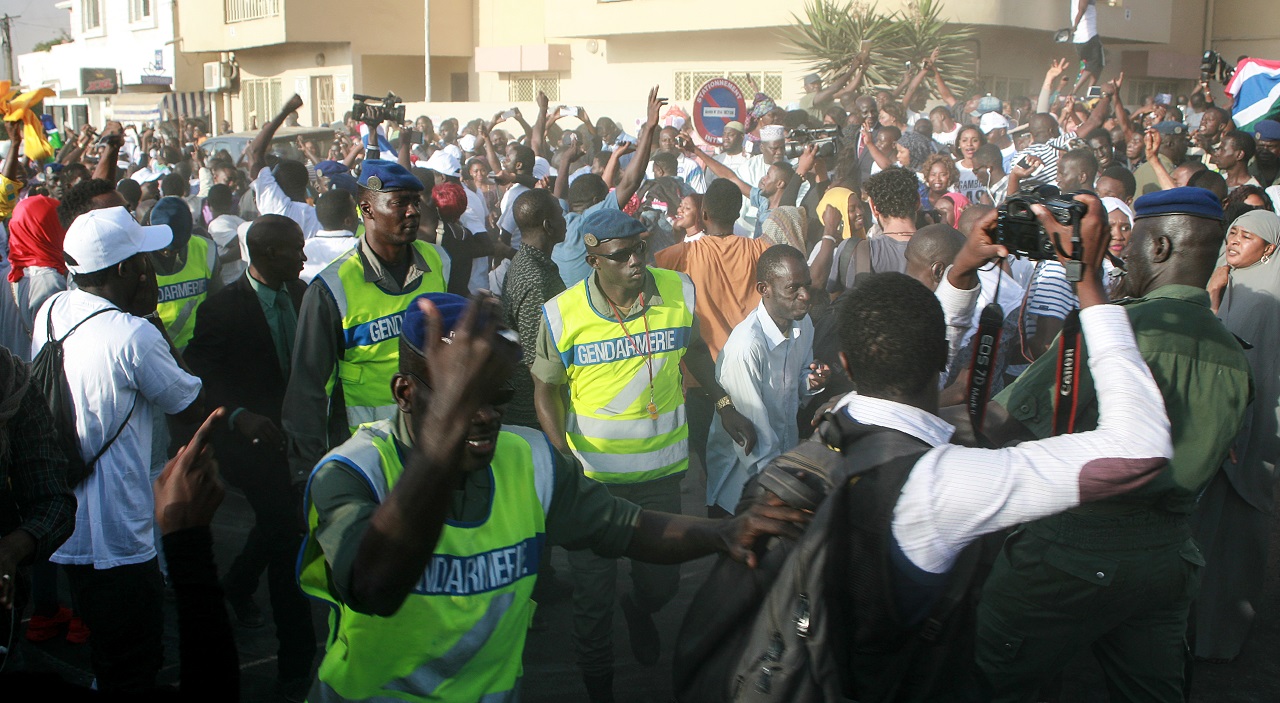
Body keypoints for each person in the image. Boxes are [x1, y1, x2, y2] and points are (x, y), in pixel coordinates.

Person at [298, 292, 806, 703]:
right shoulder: (352, 473)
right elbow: (375, 587)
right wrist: (442, 438)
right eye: (461, 399)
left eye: (495, 398)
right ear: (405, 393)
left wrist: (722, 533)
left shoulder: (530, 461)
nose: (485, 416)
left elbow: (626, 527)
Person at [802, 189, 1174, 696]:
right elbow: (1140, 450)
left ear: (847, 365)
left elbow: (922, 353)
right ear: (943, 359)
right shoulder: (948, 483)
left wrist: (960, 272)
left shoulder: (831, 426)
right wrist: (1087, 282)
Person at [972, 188, 1251, 701]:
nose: (1119, 254)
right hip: (1169, 557)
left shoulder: (1114, 329)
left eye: (1134, 241)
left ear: (1161, 249)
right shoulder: (1230, 349)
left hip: (1073, 551)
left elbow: (999, 421)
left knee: (992, 680)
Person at [533, 210, 753, 700]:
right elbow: (544, 390)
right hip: (593, 485)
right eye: (621, 255)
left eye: (641, 249)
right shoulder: (563, 312)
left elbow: (694, 349)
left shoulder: (676, 291)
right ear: (593, 259)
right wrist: (560, 456)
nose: (637, 261)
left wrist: (723, 402)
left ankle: (640, 608)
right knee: (592, 603)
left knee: (662, 588)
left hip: (660, 479)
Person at [32, 207, 207, 694]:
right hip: (123, 537)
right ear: (127, 270)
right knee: (135, 659)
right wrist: (150, 314)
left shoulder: (52, 311)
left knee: (107, 650)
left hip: (69, 528)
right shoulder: (132, 335)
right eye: (143, 259)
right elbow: (188, 401)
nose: (151, 266)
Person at [183, 214, 316, 699]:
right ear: (267, 255)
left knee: (280, 525)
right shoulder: (222, 309)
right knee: (286, 538)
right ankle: (295, 663)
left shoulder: (305, 296)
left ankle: (237, 585)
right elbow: (201, 380)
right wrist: (237, 415)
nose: (303, 257)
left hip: (299, 441)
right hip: (252, 447)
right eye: (295, 250)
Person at [283, 159, 448, 486]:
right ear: (367, 209)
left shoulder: (437, 260)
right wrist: (310, 474)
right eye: (400, 203)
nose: (414, 211)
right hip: (367, 456)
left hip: (432, 445)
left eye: (416, 201)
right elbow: (308, 391)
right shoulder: (331, 288)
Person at [1196, 209, 1280, 662]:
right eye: (1233, 232)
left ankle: (1222, 632)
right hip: (1228, 422)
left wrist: (1211, 301)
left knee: (1237, 529)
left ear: (1269, 248)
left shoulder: (1266, 295)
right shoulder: (1231, 281)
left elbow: (1232, 361)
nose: (1235, 242)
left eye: (1248, 237)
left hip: (1254, 427)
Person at [705, 245, 828, 513]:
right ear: (764, 289)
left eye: (806, 285)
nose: (805, 296)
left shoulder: (802, 324)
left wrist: (812, 380)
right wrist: (783, 489)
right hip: (743, 486)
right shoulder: (746, 347)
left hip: (778, 474)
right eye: (793, 288)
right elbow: (754, 437)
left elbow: (797, 383)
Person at [553, 87, 661, 287]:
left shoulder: (558, 223)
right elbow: (631, 181)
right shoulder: (591, 220)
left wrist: (565, 160)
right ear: (596, 202)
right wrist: (649, 128)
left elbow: (558, 194)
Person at [501, 189, 567, 429]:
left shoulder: (531, 262)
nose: (566, 220)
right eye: (561, 215)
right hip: (532, 411)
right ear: (549, 226)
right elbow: (536, 362)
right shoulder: (534, 278)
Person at [827, 166, 920, 293]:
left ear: (874, 208)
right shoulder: (944, 248)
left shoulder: (852, 250)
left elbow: (835, 297)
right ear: (918, 203)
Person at [148, 197, 221, 351]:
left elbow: (218, 304)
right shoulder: (136, 257)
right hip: (154, 353)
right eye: (163, 246)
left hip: (198, 349)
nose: (167, 252)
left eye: (175, 248)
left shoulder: (205, 249)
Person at [247, 94, 321, 238]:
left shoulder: (277, 206)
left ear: (277, 186)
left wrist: (285, 112)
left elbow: (254, 151)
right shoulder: (320, 216)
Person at [6, 195, 68, 360]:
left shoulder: (7, 275)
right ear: (51, 228)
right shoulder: (50, 283)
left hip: (11, 379)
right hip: (35, 379)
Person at [302, 189, 360, 283]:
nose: (358, 213)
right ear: (347, 221)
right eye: (355, 209)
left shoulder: (303, 248)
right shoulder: (361, 248)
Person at [205, 184, 247, 287]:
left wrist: (218, 262)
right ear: (231, 202)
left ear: (208, 204)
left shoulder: (217, 224)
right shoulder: (240, 221)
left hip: (232, 285)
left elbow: (241, 245)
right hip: (243, 281)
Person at [1134, 122, 1191, 197]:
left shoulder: (1142, 168)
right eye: (1183, 140)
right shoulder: (1167, 171)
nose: (1187, 144)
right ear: (1171, 144)